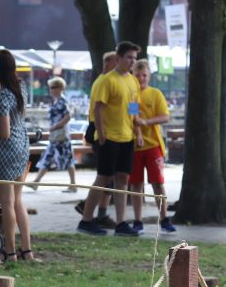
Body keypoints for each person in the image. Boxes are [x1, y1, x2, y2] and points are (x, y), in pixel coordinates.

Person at [76, 41, 141, 237]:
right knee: (103, 178)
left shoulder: (133, 81)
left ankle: (121, 222)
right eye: (129, 57)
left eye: (135, 58)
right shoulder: (107, 80)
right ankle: (86, 220)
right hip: (109, 137)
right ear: (119, 58)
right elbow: (98, 108)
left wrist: (137, 132)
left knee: (123, 179)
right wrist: (102, 135)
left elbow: (133, 108)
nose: (132, 61)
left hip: (126, 136)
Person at [0, 49, 37, 262]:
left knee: (7, 203)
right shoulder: (21, 88)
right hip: (23, 145)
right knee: (18, 201)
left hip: (6, 149)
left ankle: (10, 253)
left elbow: (4, 131)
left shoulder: (2, 96)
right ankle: (26, 250)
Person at [127, 59, 175, 233]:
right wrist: (138, 134)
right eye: (138, 75)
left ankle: (164, 218)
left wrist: (147, 122)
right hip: (134, 147)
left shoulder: (155, 94)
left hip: (153, 144)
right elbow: (133, 118)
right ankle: (137, 220)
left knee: (157, 182)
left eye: (144, 75)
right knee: (136, 184)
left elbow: (164, 117)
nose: (141, 78)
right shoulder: (132, 95)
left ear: (149, 76)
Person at [75, 51, 117, 226]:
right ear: (107, 64)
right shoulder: (103, 82)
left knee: (109, 177)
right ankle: (89, 210)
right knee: (105, 175)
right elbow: (98, 111)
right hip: (101, 131)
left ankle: (101, 214)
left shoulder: (108, 81)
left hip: (104, 130)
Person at [29, 77, 76, 191]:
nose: (52, 90)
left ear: (61, 88)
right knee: (48, 157)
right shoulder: (57, 101)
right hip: (56, 136)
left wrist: (55, 127)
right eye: (50, 87)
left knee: (67, 159)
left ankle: (73, 185)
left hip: (61, 136)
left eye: (54, 87)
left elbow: (68, 116)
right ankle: (36, 182)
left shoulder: (62, 101)